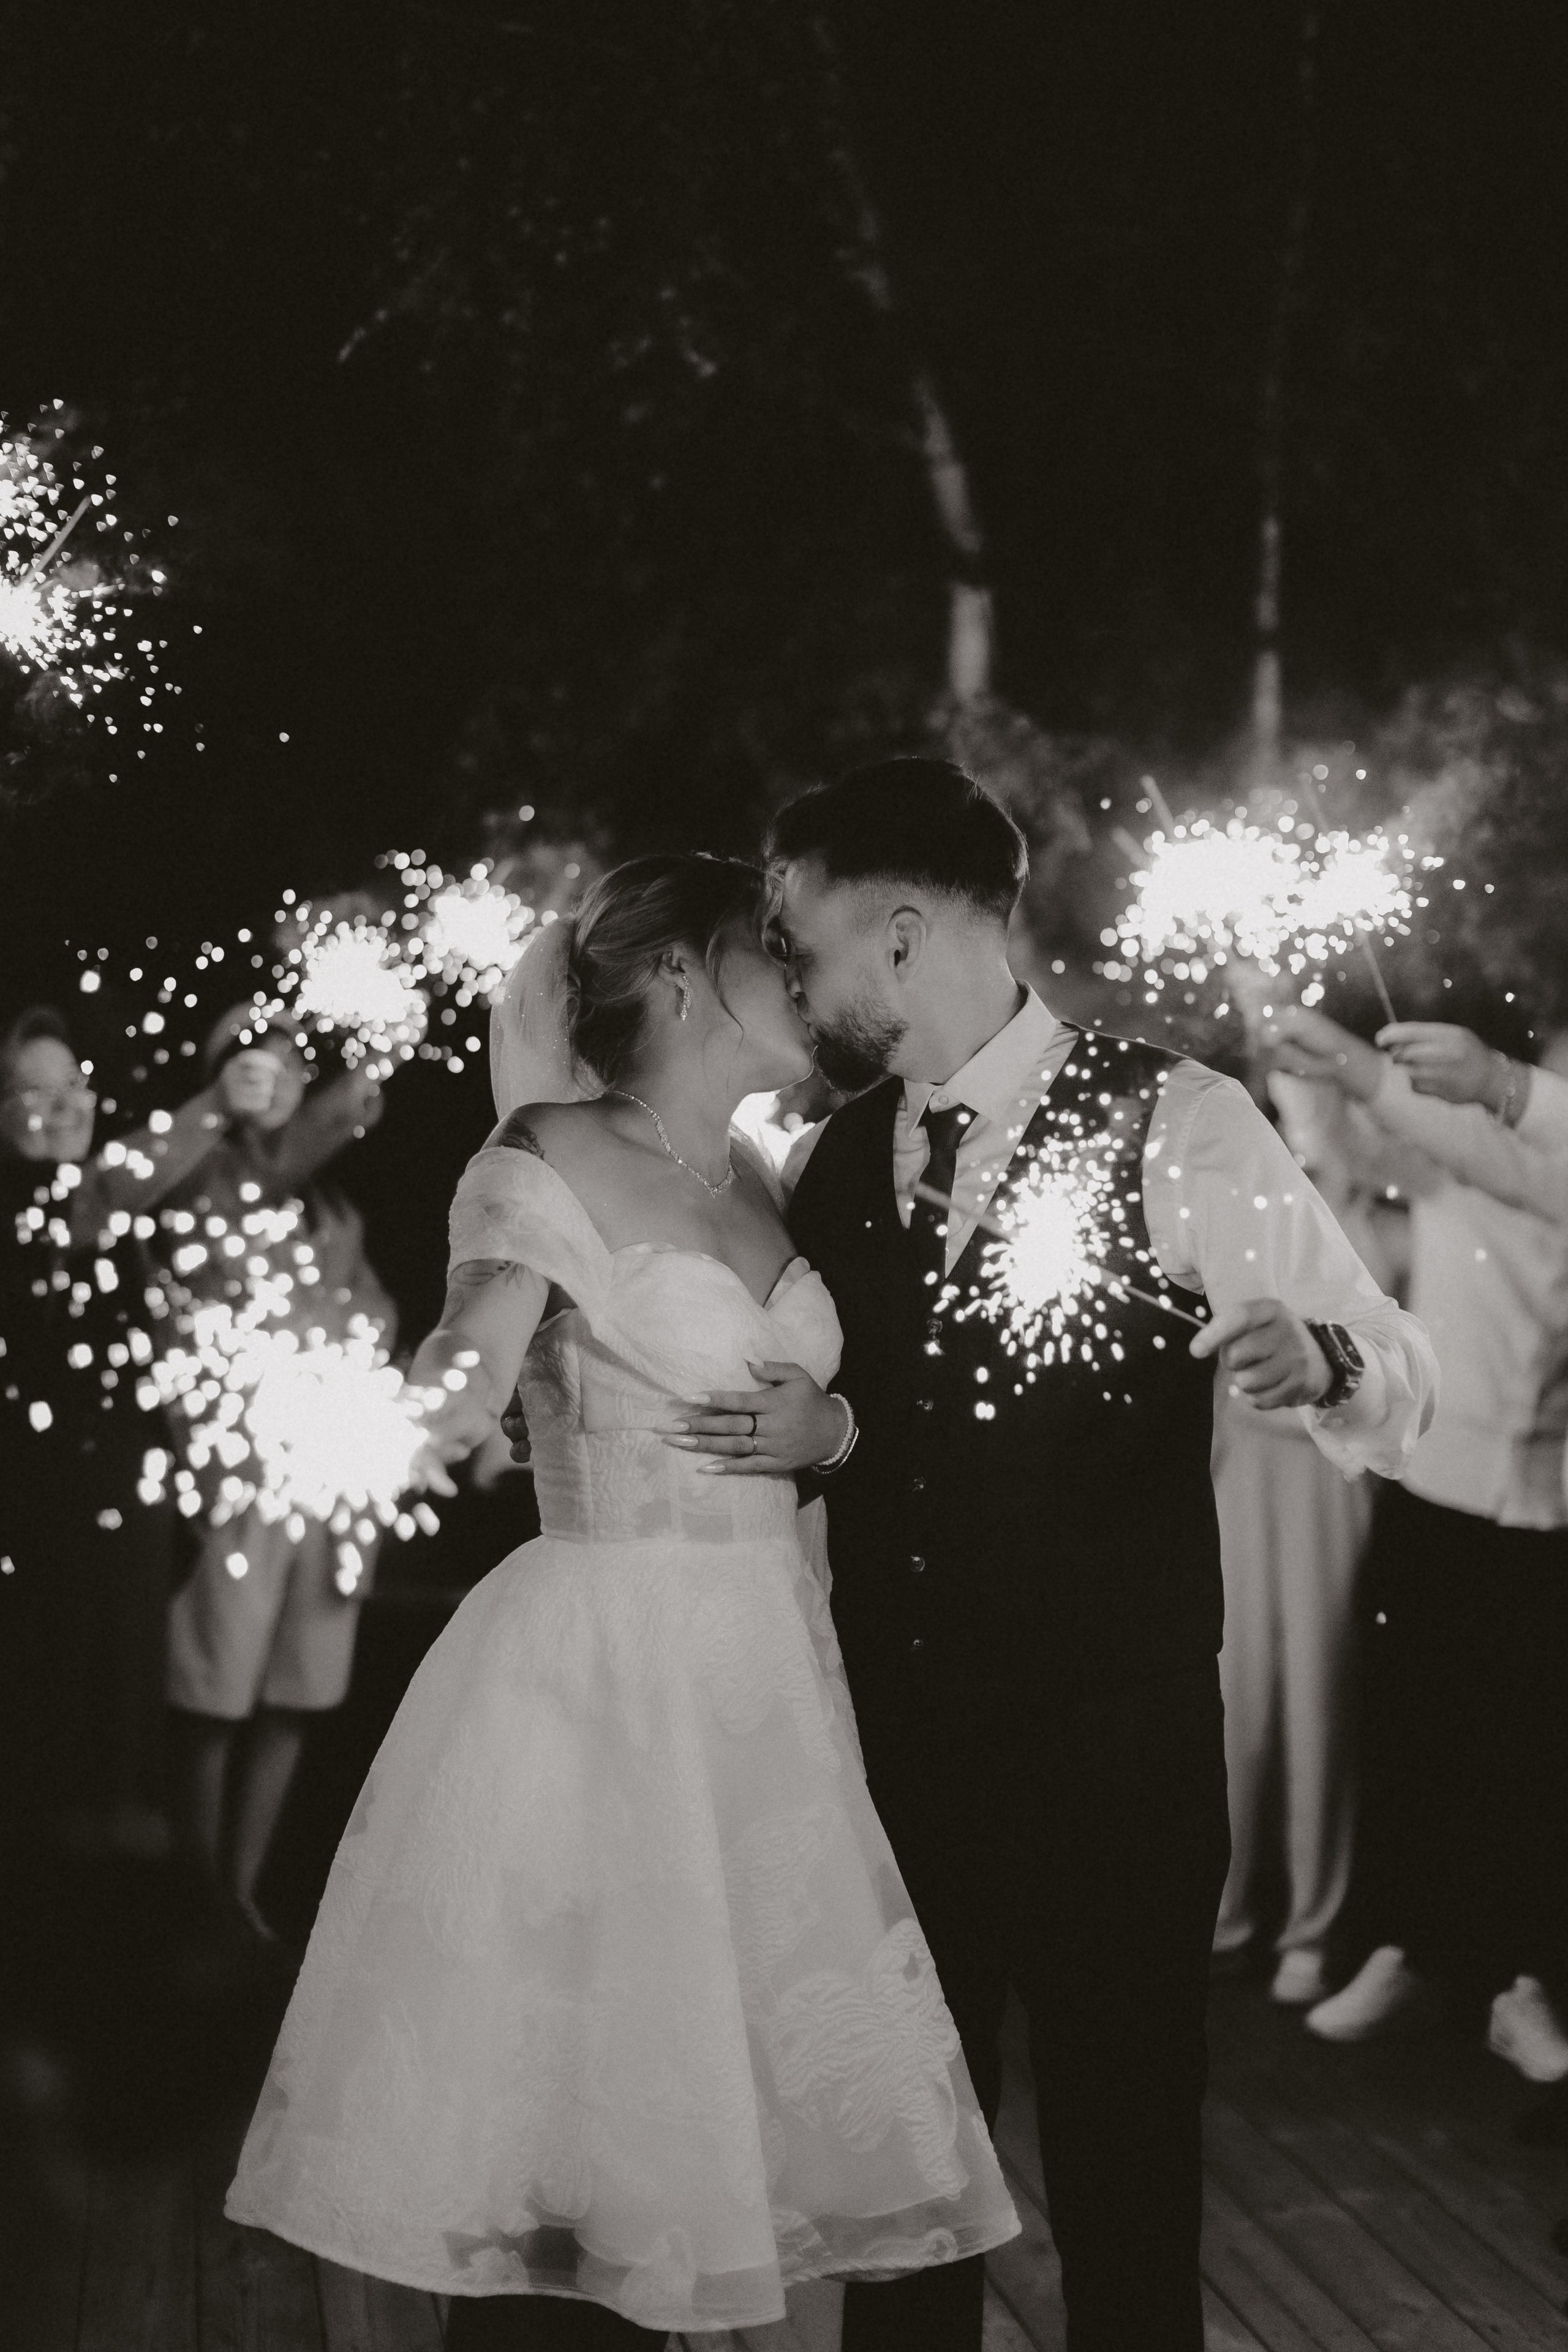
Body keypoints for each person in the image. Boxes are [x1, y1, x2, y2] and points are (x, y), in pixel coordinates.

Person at [671, 759, 1435, 2352]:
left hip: (1115, 1764)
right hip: (888, 1765)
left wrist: (1327, 1361)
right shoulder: (830, 1159)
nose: (794, 983)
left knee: (1126, 2180)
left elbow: (1391, 1353)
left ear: (895, 933)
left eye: (801, 944)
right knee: (905, 2211)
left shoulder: (1182, 1117)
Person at [225, 859, 1020, 2349]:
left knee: (744, 2102)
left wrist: (829, 1435)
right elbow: (471, 1354)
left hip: (768, 1677)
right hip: (602, 1674)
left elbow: (845, 1408)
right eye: (769, 955)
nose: (803, 978)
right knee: (573, 2100)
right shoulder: (546, 1151)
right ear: (674, 975)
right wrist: (386, 1421)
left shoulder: (769, 1176)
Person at [1270, 1006, 1568, 2082]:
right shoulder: (1456, 1167)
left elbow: (1502, 1149)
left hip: (1548, 1506)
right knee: (1409, 1723)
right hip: (1435, 1486)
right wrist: (1295, 1056)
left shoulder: (1517, 1162)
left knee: (1526, 1755)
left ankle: (1518, 1983)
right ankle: (1403, 1948)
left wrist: (1371, 1070)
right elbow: (1340, 1156)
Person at [156, 1009, 394, 1943]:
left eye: (300, 1066)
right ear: (224, 1077)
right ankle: (189, 1896)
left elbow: (372, 1309)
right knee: (215, 1695)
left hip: (332, 1478)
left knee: (296, 1691)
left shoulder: (331, 1207)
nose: (287, 1077)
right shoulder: (203, 1183)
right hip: (243, 1478)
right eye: (264, 1064)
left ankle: (240, 1893)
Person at [0, 1005, 251, 1851]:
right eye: (36, 1093)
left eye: (74, 1085)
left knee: (121, 1723)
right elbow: (109, 1188)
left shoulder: (104, 1211)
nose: (67, 1105)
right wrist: (217, 1100)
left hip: (127, 1497)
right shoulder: (37, 1206)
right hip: (44, 1517)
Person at [1208, 1068, 1390, 2007]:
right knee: (1236, 1693)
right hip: (1243, 1472)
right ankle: (1228, 1912)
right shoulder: (1242, 1207)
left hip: (1329, 1476)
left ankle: (1311, 1929)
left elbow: (1383, 1368)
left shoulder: (1380, 1222)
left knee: (1320, 1698)